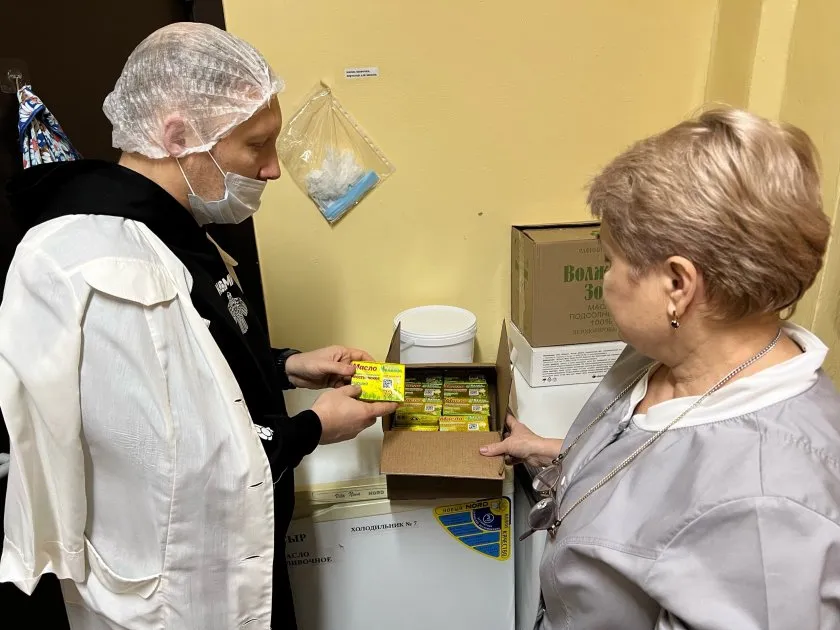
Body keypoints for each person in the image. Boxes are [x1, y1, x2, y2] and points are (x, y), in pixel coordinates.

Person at [0, 23, 396, 630]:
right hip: (181, 593)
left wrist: (286, 365)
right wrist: (315, 426)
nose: (273, 170)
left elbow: (196, 361)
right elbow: (183, 460)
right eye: (256, 146)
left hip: (233, 558)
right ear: (178, 136)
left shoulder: (170, 229)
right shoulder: (111, 268)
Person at [483, 107, 840, 628]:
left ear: (677, 285)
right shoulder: (671, 349)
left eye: (610, 261)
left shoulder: (767, 509)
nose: (605, 281)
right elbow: (661, 467)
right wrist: (556, 451)